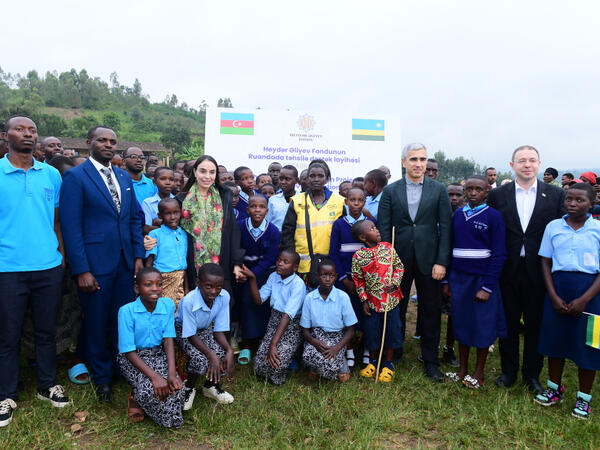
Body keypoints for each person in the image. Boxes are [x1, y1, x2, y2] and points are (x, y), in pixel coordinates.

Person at [60, 126, 145, 402]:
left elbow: (133, 219)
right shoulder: (75, 176)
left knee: (121, 320)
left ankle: (120, 368)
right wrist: (81, 269)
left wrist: (137, 258)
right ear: (89, 143)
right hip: (94, 266)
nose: (108, 145)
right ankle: (102, 377)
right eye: (102, 140)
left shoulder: (123, 176)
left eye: (113, 141)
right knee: (96, 322)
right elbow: (71, 227)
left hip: (124, 263)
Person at [0, 116, 69, 428]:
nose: (27, 135)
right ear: (6, 135)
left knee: (45, 331)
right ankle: (6, 394)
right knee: (8, 335)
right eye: (20, 130)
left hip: (47, 267)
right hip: (7, 268)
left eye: (32, 131)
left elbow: (56, 221)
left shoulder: (51, 175)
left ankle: (46, 385)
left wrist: (61, 257)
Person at [487, 145, 565, 394]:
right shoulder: (499, 195)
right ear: (512, 166)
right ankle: (509, 372)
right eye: (522, 160)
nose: (527, 165)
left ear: (539, 164)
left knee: (535, 324)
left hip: (539, 270)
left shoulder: (554, 195)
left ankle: (532, 375)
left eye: (532, 160)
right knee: (508, 323)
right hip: (507, 268)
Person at [378, 142, 452, 382]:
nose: (419, 164)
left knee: (430, 310)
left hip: (430, 261)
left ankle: (430, 360)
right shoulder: (390, 191)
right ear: (404, 162)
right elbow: (383, 227)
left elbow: (446, 227)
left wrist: (441, 261)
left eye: (422, 159)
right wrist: (386, 261)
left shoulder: (438, 190)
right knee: (396, 308)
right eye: (413, 159)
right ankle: (394, 352)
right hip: (397, 261)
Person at [534, 183, 600, 418]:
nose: (572, 204)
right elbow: (545, 261)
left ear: (591, 203)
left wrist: (584, 299)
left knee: (589, 347)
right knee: (556, 342)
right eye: (569, 199)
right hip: (558, 289)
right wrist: (552, 295)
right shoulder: (553, 227)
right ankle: (554, 388)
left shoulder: (598, 229)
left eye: (579, 200)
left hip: (591, 294)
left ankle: (584, 398)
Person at [444, 176, 507, 389]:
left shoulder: (494, 216)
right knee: (461, 322)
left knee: (482, 325)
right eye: (469, 189)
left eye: (478, 189)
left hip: (481, 280)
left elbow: (499, 254)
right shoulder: (458, 215)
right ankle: (462, 369)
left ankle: (478, 373)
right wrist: (447, 280)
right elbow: (449, 247)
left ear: (486, 192)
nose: (472, 193)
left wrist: (487, 286)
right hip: (459, 278)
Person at [117, 267, 185, 427]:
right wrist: (155, 377)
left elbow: (168, 340)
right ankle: (136, 397)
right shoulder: (126, 311)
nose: (155, 289)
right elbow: (128, 351)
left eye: (159, 284)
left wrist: (171, 373)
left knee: (177, 388)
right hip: (133, 358)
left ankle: (157, 405)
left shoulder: (167, 305)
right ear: (137, 288)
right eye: (148, 284)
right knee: (150, 389)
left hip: (156, 354)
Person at [178, 155, 245, 293]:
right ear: (195, 172)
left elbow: (233, 230)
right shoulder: (181, 200)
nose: (207, 176)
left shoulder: (224, 195)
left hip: (221, 263)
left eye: (212, 172)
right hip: (192, 266)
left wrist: (237, 263)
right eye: (202, 171)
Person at [241, 249, 306, 385]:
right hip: (274, 322)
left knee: (276, 365)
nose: (279, 264)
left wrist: (273, 344)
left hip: (290, 326)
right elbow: (258, 300)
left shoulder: (298, 285)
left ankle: (290, 359)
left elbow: (287, 316)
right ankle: (284, 357)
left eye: (285, 262)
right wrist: (252, 278)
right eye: (278, 260)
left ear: (295, 268)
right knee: (259, 366)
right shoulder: (273, 277)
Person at [351, 220, 404, 383]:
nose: (377, 230)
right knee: (372, 332)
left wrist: (394, 283)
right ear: (363, 237)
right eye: (372, 229)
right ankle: (373, 362)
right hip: (372, 302)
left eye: (375, 227)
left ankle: (388, 364)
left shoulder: (388, 247)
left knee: (391, 330)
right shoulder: (358, 256)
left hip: (390, 300)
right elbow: (358, 279)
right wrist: (364, 300)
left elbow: (399, 267)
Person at [175, 264, 235, 407]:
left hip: (205, 329)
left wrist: (229, 350)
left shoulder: (224, 296)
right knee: (199, 358)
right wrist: (211, 355)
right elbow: (191, 335)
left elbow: (219, 330)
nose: (213, 291)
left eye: (218, 287)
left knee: (221, 353)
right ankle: (189, 388)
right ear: (198, 283)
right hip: (184, 331)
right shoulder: (189, 301)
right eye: (208, 286)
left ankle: (210, 386)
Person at [329, 187, 374, 367]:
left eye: (360, 200)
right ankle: (347, 350)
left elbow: (375, 251)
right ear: (346, 202)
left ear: (364, 202)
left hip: (368, 280)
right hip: (345, 279)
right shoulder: (339, 224)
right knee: (346, 315)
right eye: (352, 200)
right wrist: (343, 279)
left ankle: (365, 348)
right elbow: (333, 254)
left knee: (367, 315)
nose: (356, 204)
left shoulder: (371, 223)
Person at [281, 162, 345, 282]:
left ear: (327, 179)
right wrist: (291, 261)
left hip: (330, 265)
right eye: (312, 176)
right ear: (307, 179)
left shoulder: (340, 202)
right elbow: (287, 233)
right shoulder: (296, 201)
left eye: (320, 176)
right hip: (302, 267)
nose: (316, 179)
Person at [236, 195, 281, 364]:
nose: (257, 210)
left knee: (264, 306)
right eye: (253, 206)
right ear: (247, 210)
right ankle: (246, 343)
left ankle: (262, 339)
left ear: (267, 210)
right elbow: (236, 250)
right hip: (243, 273)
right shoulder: (240, 226)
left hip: (263, 274)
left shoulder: (273, 231)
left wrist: (254, 273)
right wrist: (241, 270)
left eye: (261, 207)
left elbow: (270, 258)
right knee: (246, 304)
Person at [300, 258, 357, 381]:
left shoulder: (343, 297)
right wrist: (314, 342)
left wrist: (336, 348)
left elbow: (351, 330)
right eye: (323, 275)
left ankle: (341, 365)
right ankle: (320, 367)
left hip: (337, 338)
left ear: (336, 277)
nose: (327, 279)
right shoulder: (309, 298)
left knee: (330, 364)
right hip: (317, 337)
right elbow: (305, 330)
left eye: (331, 276)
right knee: (307, 356)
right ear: (317, 276)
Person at [145, 198, 189, 308]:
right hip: (161, 280)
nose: (173, 217)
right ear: (160, 216)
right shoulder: (155, 234)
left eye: (176, 213)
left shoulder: (184, 233)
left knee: (178, 312)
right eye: (168, 214)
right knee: (163, 309)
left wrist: (187, 288)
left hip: (180, 281)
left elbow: (185, 265)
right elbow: (149, 262)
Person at [141, 167, 175, 233]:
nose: (168, 182)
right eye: (163, 179)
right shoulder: (148, 203)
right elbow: (146, 228)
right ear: (154, 182)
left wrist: (159, 223)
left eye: (171, 179)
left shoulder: (178, 201)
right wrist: (170, 226)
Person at [266, 165, 298, 231]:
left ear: (296, 180)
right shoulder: (273, 200)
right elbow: (267, 222)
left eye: (287, 179)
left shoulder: (302, 199)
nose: (283, 182)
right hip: (276, 238)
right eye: (281, 179)